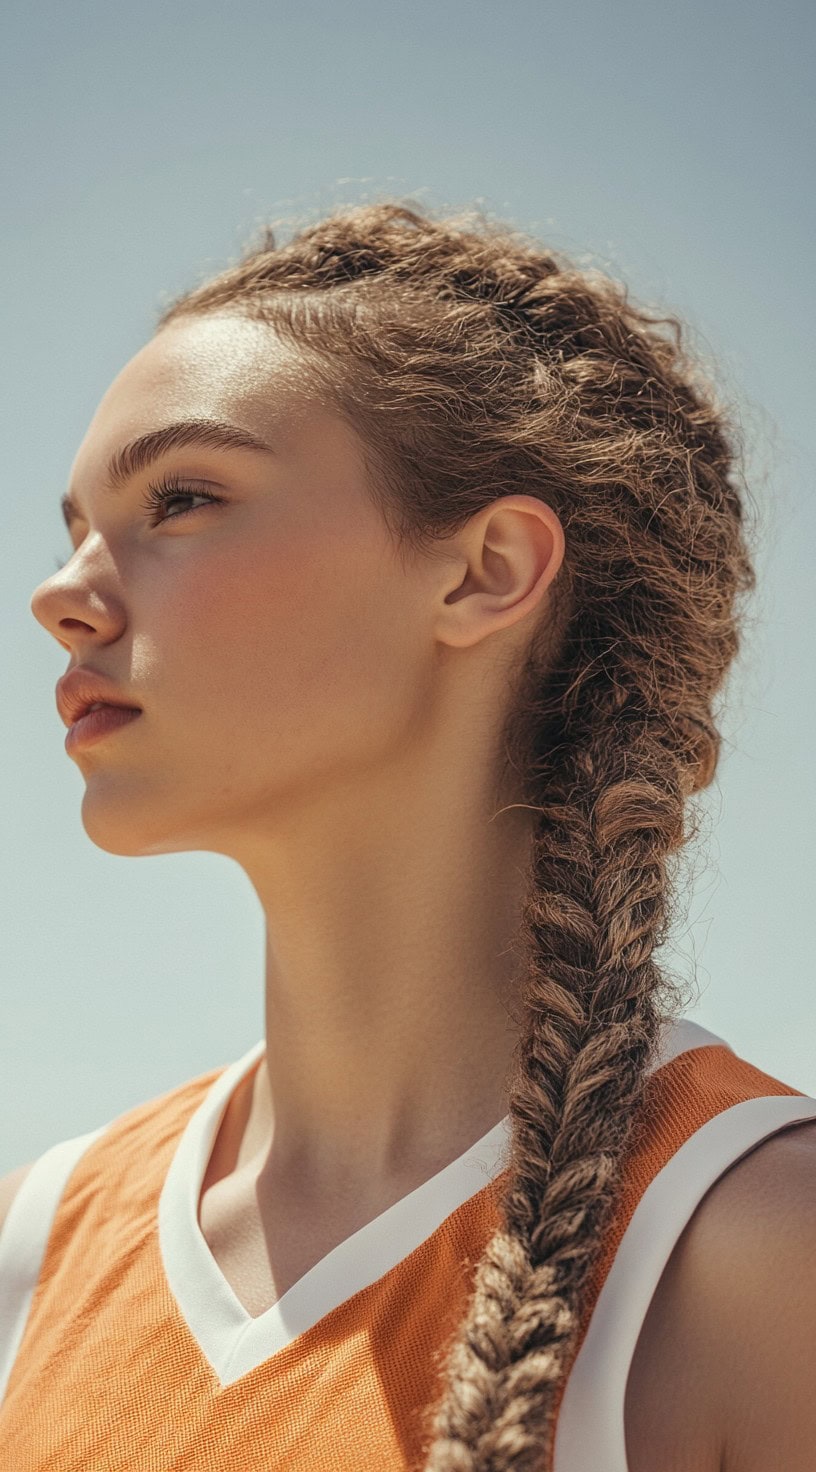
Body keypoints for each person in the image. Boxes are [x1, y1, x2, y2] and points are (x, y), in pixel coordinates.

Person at [1, 202, 814, 1472]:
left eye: (184, 496)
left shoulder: (754, 1243)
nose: (60, 595)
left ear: (486, 568)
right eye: (75, 532)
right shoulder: (41, 1248)